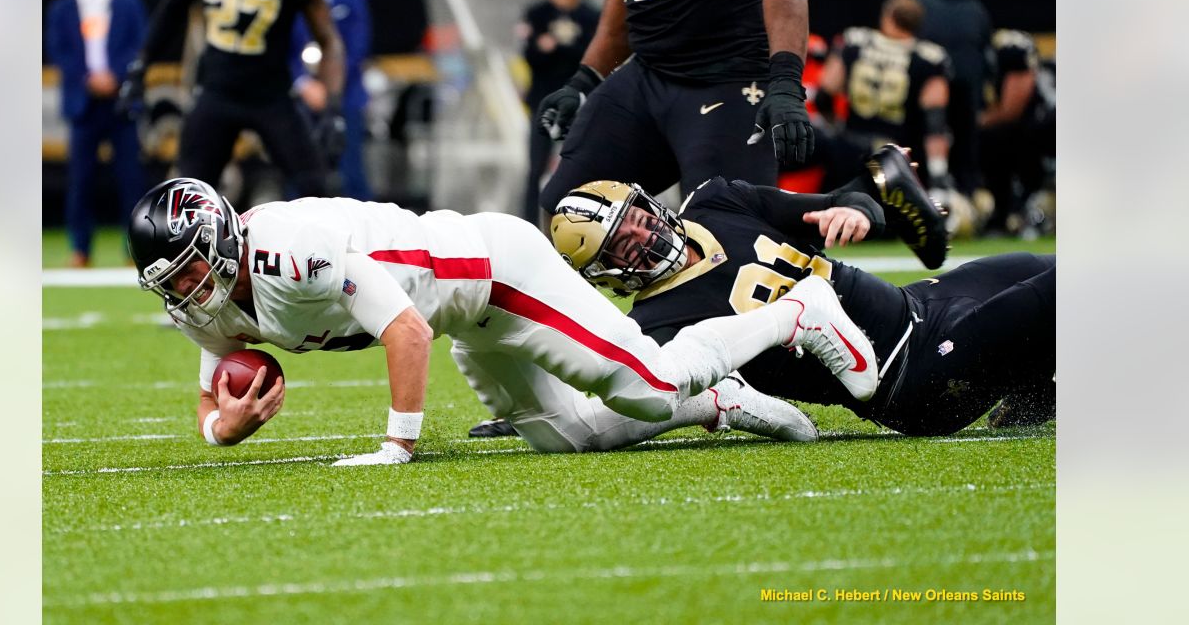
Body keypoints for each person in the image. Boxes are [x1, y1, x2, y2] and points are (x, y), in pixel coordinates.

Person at [126, 177, 882, 465]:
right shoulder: (206, 299)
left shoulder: (292, 252)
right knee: (568, 436)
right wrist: (219, 429)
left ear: (224, 240)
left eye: (193, 267)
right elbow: (210, 396)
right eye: (173, 281)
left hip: (493, 271)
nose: (190, 290)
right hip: (464, 317)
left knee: (645, 388)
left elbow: (406, 332)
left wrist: (398, 445)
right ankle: (717, 402)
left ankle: (796, 314)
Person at [548, 163, 1055, 437]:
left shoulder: (715, 200)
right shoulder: (659, 325)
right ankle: (1037, 373)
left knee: (1041, 267)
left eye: (636, 217)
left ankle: (1037, 384)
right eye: (624, 244)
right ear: (606, 274)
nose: (646, 234)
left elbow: (843, 199)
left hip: (921, 303)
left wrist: (857, 211)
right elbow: (657, 395)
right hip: (909, 380)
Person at [536, 0, 815, 221]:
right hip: (649, 75)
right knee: (568, 210)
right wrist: (585, 79)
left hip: (726, 78)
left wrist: (786, 82)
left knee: (727, 234)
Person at [117, 0, 343, 200]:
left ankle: (314, 247)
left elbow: (329, 40)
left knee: (315, 187)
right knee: (189, 194)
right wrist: (140, 66)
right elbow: (174, 8)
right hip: (216, 91)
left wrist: (333, 108)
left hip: (271, 95)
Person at [45, 0, 148, 268]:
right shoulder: (61, 8)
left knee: (131, 178)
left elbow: (140, 44)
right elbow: (58, 51)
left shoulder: (128, 3)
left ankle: (136, 247)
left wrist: (115, 76)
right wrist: (88, 79)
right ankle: (80, 248)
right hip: (83, 102)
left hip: (120, 100)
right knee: (81, 180)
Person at [817, 0, 954, 200]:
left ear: (888, 16)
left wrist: (836, 128)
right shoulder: (930, 57)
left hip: (850, 149)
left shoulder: (855, 41)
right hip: (897, 158)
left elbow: (825, 93)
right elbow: (934, 123)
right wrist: (938, 177)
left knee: (837, 208)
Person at [289, 0, 375, 200]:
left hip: (345, 96)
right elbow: (284, 48)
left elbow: (358, 48)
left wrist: (330, 87)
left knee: (353, 174)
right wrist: (303, 83)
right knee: (299, 173)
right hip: (302, 100)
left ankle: (367, 237)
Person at [516, 0, 600, 223]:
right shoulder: (537, 12)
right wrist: (567, 50)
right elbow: (531, 56)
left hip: (581, 105)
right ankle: (529, 225)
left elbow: (591, 57)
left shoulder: (590, 16)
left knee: (580, 169)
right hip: (543, 101)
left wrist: (554, 46)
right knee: (536, 169)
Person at [916, 0, 993, 199]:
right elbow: (986, 55)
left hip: (930, 87)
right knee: (964, 142)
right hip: (965, 88)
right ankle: (965, 194)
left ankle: (929, 191)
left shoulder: (923, 3)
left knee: (927, 134)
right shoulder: (976, 9)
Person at [978, 28, 1055, 235]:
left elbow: (1012, 110)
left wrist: (976, 122)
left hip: (1044, 131)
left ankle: (1008, 211)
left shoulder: (1010, 50)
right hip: (1043, 129)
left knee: (992, 138)